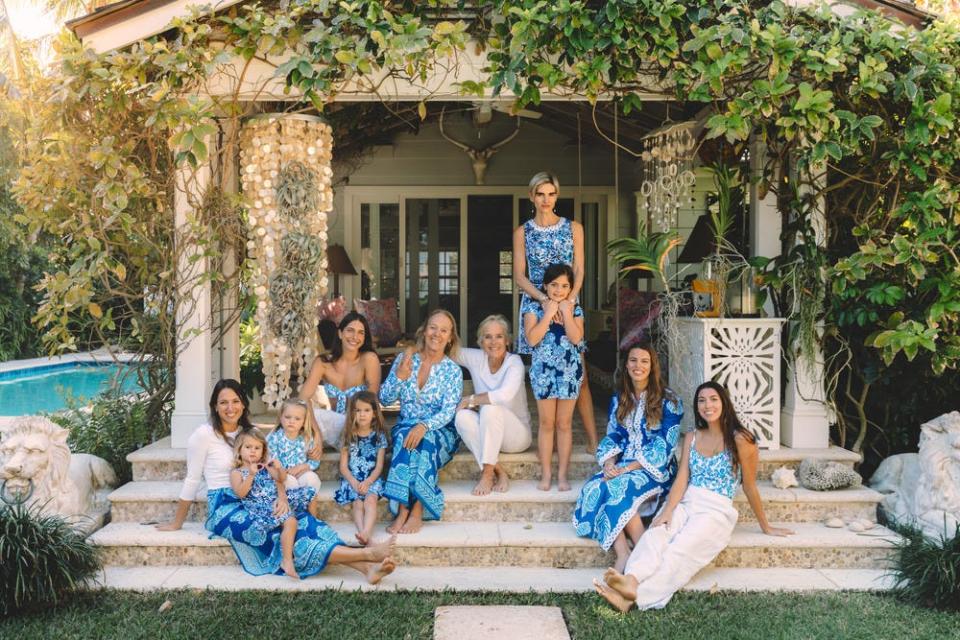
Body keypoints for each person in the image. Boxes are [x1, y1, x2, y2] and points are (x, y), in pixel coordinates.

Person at [157, 379, 397, 583]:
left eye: (235, 401)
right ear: (214, 407)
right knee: (278, 533)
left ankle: (368, 569)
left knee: (301, 521)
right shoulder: (203, 435)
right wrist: (177, 522)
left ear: (243, 403)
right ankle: (368, 556)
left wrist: (282, 496)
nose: (230, 407)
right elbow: (191, 479)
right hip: (227, 505)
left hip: (263, 493)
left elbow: (274, 469)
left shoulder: (250, 432)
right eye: (223, 402)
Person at [593, 381, 794, 611]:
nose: (707, 405)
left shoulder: (742, 439)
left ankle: (634, 598)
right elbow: (682, 479)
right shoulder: (692, 437)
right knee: (657, 533)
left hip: (716, 511)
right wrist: (668, 511)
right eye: (701, 400)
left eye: (713, 399)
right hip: (688, 500)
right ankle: (632, 579)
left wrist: (766, 526)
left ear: (724, 403)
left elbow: (749, 486)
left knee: (680, 551)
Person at [573, 343, 682, 571]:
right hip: (624, 463)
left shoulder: (669, 401)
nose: (638, 366)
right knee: (594, 487)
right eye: (633, 360)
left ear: (652, 367)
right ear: (626, 364)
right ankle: (625, 551)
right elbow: (614, 434)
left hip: (656, 468)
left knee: (617, 487)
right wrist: (610, 463)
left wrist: (628, 468)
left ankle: (639, 548)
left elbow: (665, 445)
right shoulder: (620, 398)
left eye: (644, 361)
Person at [513, 171, 599, 453]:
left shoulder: (574, 227)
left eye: (551, 194)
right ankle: (543, 439)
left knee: (580, 375)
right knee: (542, 373)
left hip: (568, 301)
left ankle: (593, 440)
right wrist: (544, 302)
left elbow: (580, 269)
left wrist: (567, 302)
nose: (546, 200)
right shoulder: (522, 232)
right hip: (537, 305)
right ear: (532, 197)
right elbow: (519, 275)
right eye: (540, 194)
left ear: (557, 196)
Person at [380, 309, 463, 534]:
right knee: (407, 438)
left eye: (443, 330)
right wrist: (399, 377)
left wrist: (424, 426)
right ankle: (405, 510)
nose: (437, 334)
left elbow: (448, 412)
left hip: (441, 431)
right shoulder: (406, 359)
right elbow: (384, 399)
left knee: (424, 441)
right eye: (433, 327)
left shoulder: (452, 371)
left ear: (450, 338)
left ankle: (415, 509)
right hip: (406, 425)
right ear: (424, 331)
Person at [454, 314, 532, 495]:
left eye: (499, 336)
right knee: (462, 416)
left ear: (507, 340)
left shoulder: (514, 362)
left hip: (516, 438)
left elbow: (504, 395)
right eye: (487, 336)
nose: (493, 341)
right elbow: (446, 348)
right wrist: (411, 350)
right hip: (490, 432)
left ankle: (487, 474)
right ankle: (499, 471)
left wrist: (470, 399)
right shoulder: (477, 358)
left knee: (489, 407)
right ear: (480, 341)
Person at [524, 263, 584, 492]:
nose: (559, 290)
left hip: (569, 371)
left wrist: (567, 313)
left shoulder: (575, 308)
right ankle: (546, 474)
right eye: (554, 285)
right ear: (546, 286)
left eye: (564, 286)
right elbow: (532, 339)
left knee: (564, 424)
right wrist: (549, 313)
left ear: (570, 289)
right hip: (543, 372)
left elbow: (577, 338)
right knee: (547, 423)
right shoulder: (532, 307)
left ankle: (562, 475)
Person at [230, 430, 317, 579]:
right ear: (239, 450)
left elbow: (281, 478)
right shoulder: (237, 472)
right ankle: (287, 561)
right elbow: (240, 493)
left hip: (276, 499)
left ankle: (314, 520)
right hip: (261, 506)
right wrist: (251, 475)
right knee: (291, 521)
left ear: (263, 451)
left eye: (257, 448)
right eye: (248, 447)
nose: (253, 451)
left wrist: (279, 467)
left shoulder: (266, 466)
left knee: (310, 492)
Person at [300, 311, 381, 449]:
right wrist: (317, 433)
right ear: (340, 333)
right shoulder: (323, 362)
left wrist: (354, 425)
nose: (355, 337)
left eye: (361, 332)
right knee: (298, 417)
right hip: (333, 427)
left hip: (360, 425)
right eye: (350, 330)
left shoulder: (369, 359)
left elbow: (372, 400)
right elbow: (303, 398)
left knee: (317, 417)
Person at [334, 391, 389, 546]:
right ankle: (362, 532)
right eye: (357, 410)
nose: (362, 415)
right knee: (357, 503)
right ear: (352, 413)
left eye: (366, 410)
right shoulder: (348, 435)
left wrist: (368, 482)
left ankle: (366, 532)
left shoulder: (379, 436)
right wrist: (353, 482)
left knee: (370, 501)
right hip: (352, 479)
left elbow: (379, 466)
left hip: (372, 479)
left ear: (374, 413)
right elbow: (343, 467)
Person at [266, 398, 323, 491]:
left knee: (312, 479)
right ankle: (293, 504)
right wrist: (283, 472)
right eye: (287, 417)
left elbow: (315, 461)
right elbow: (271, 461)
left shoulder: (307, 438)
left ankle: (309, 504)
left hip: (301, 472)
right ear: (281, 417)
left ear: (304, 422)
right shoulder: (274, 437)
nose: (292, 421)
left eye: (297, 419)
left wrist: (303, 467)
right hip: (282, 475)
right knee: (291, 482)